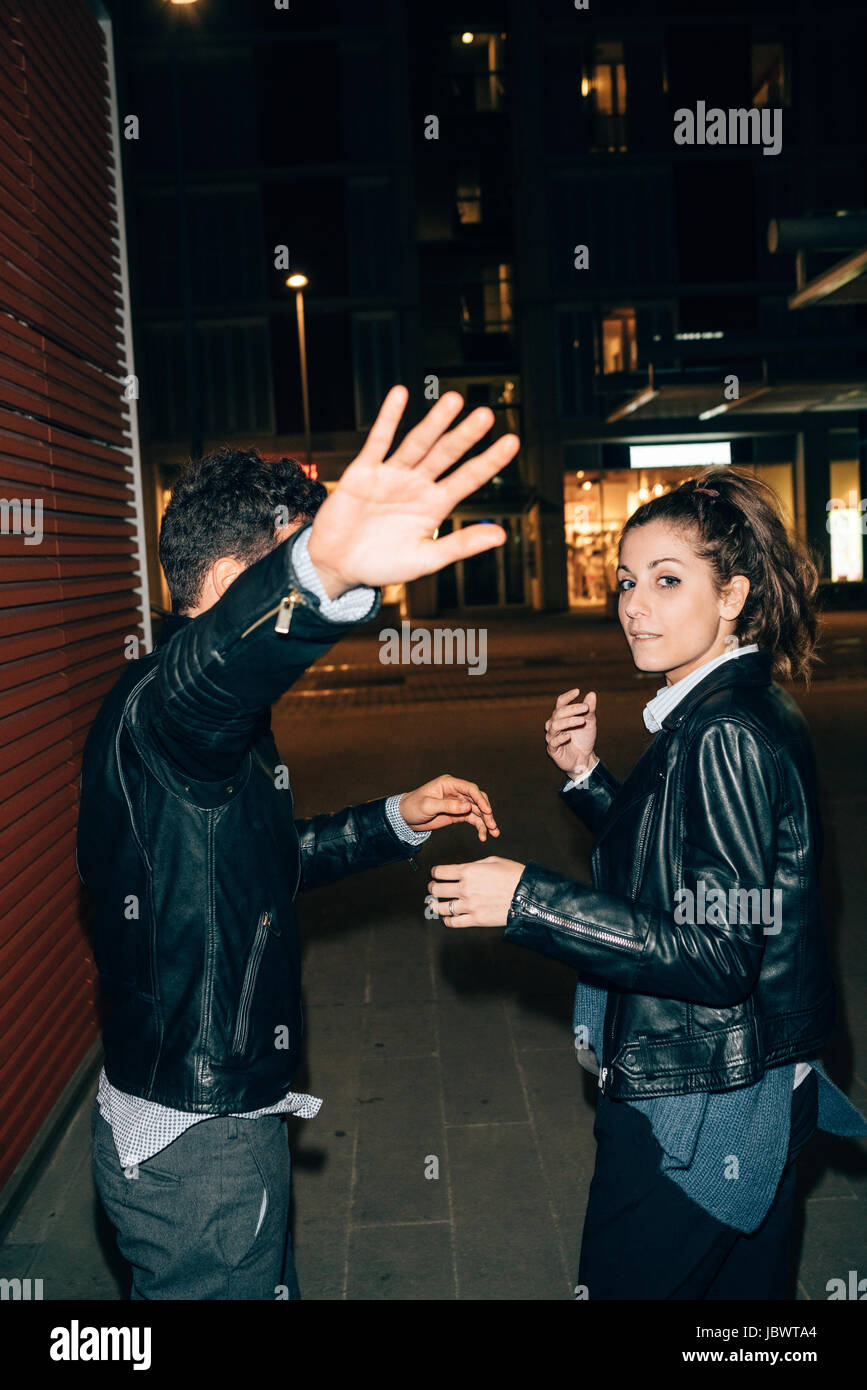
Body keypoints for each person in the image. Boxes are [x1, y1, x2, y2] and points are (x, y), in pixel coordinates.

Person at [78, 387, 518, 1300]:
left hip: (190, 1113)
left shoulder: (168, 707)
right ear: (246, 573)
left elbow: (259, 868)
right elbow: (215, 672)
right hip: (204, 1137)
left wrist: (398, 816)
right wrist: (315, 575)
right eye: (282, 560)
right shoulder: (177, 707)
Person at [429, 468, 867, 1300]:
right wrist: (590, 777)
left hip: (702, 1094)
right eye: (627, 581)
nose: (634, 605)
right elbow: (691, 875)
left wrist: (528, 901)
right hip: (761, 1078)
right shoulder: (734, 704)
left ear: (732, 594)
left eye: (668, 582)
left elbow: (716, 954)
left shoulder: (720, 733)